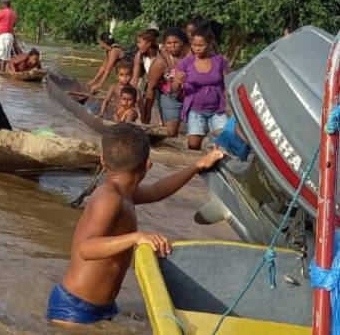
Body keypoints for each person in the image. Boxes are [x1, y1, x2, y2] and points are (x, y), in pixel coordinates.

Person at [46, 123, 224, 327]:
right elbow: (86, 248)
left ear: (103, 160)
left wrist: (198, 165)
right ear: (148, 164)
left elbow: (158, 190)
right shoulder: (108, 197)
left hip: (101, 307)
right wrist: (136, 237)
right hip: (75, 308)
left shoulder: (125, 194)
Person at [174, 25, 229, 150]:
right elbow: (174, 89)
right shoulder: (185, 63)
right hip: (195, 111)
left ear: (210, 44)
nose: (197, 48)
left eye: (201, 45)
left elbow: (227, 85)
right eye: (194, 45)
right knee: (193, 146)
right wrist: (178, 81)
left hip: (217, 110)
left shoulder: (220, 61)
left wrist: (229, 106)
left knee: (224, 143)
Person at [142, 28, 187, 137]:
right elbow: (151, 88)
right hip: (169, 97)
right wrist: (147, 113)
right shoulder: (160, 62)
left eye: (176, 42)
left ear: (182, 43)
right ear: (165, 44)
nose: (173, 46)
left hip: (188, 96)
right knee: (171, 134)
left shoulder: (189, 57)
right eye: (169, 43)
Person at [0, 0, 17, 72]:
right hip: (9, 36)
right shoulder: (13, 13)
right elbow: (14, 24)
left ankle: (1, 72)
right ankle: (3, 72)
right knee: (5, 57)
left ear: (3, 4)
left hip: (3, 36)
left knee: (1, 57)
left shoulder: (2, 11)